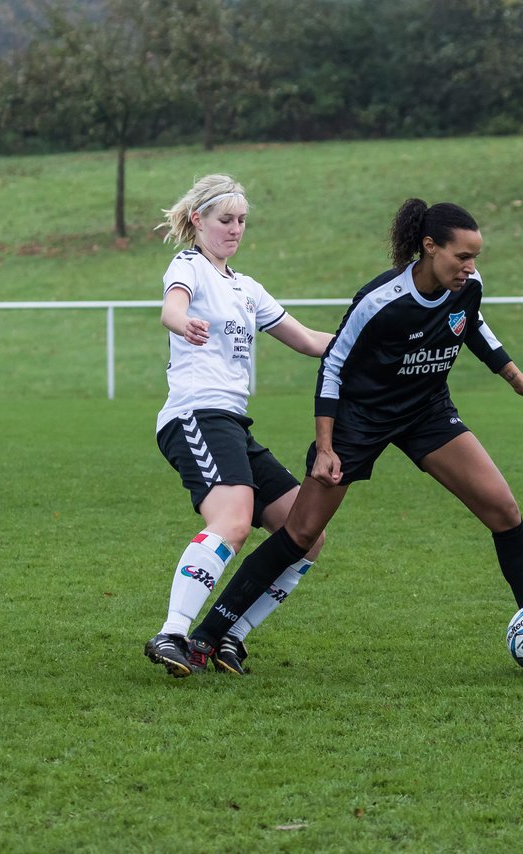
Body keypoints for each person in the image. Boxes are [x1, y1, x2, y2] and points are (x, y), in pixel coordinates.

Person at [181, 198, 523, 675]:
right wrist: (327, 447)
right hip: (360, 419)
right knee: (300, 532)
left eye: (475, 256)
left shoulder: (468, 286)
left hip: (427, 412)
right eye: (462, 256)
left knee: (503, 510)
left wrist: (519, 381)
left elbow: (472, 327)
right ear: (429, 247)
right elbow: (333, 365)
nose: (471, 267)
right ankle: (207, 637)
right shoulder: (381, 301)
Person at [143, 174, 334, 677]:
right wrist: (182, 323)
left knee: (307, 532)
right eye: (225, 220)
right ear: (196, 220)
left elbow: (311, 342)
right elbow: (171, 307)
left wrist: (368, 340)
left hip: (232, 421)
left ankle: (230, 636)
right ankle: (173, 633)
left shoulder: (246, 289)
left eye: (241, 221)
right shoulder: (188, 265)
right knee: (231, 520)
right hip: (194, 414)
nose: (235, 229)